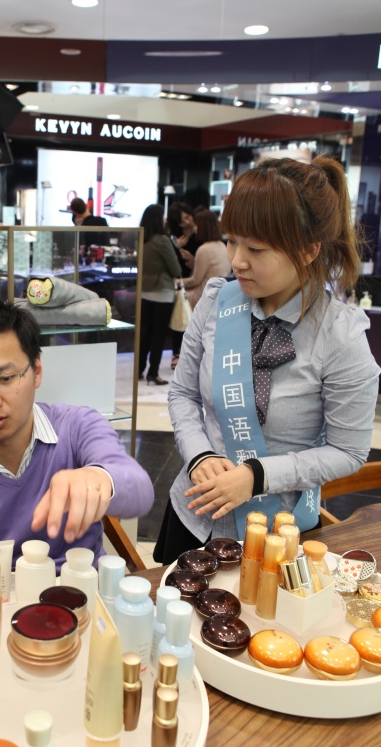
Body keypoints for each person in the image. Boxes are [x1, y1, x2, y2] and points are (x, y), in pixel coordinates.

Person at [153, 155, 380, 564]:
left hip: (277, 530)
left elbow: (349, 451)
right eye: (231, 240)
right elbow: (183, 394)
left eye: (255, 248)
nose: (237, 259)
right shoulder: (216, 302)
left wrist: (258, 476)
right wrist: (200, 454)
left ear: (309, 250)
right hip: (195, 514)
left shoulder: (341, 336)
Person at [0, 296, 154, 600]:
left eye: (4, 378)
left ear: (37, 371)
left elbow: (141, 492)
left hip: (82, 604)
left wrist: (99, 478)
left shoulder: (76, 427)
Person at [138, 203, 182, 385]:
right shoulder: (162, 241)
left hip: (145, 291)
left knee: (146, 333)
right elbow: (176, 269)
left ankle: (139, 369)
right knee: (158, 335)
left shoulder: (141, 240)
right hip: (162, 292)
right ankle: (153, 373)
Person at [167, 202, 197, 370]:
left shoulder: (199, 237)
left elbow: (200, 267)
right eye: (183, 219)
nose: (188, 220)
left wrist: (192, 259)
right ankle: (177, 353)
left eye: (188, 216)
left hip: (195, 281)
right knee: (179, 316)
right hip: (180, 284)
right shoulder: (173, 239)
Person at [183, 209, 231, 309]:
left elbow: (195, 280)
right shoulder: (222, 245)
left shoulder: (204, 249)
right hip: (218, 295)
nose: (194, 229)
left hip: (203, 296)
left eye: (196, 225)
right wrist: (192, 260)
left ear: (202, 227)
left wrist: (176, 282)